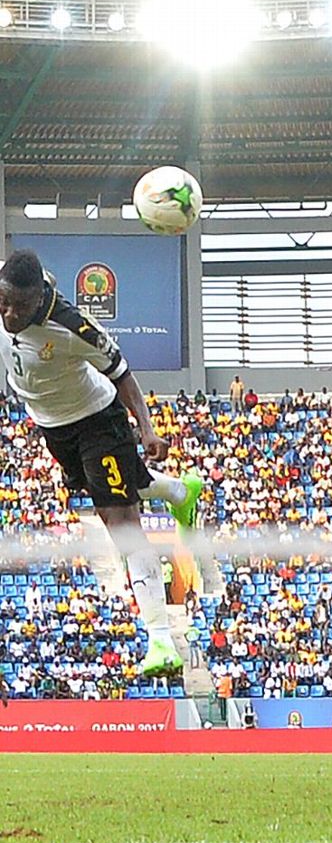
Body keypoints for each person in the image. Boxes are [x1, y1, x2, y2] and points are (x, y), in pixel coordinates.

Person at [0, 250, 203, 679]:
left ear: (40, 299)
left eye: (21, 306)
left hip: (97, 421)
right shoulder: (5, 297)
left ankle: (159, 637)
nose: (10, 313)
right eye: (5, 301)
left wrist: (146, 430)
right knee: (122, 489)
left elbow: (123, 374)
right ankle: (179, 493)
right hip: (54, 428)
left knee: (122, 522)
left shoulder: (73, 327)